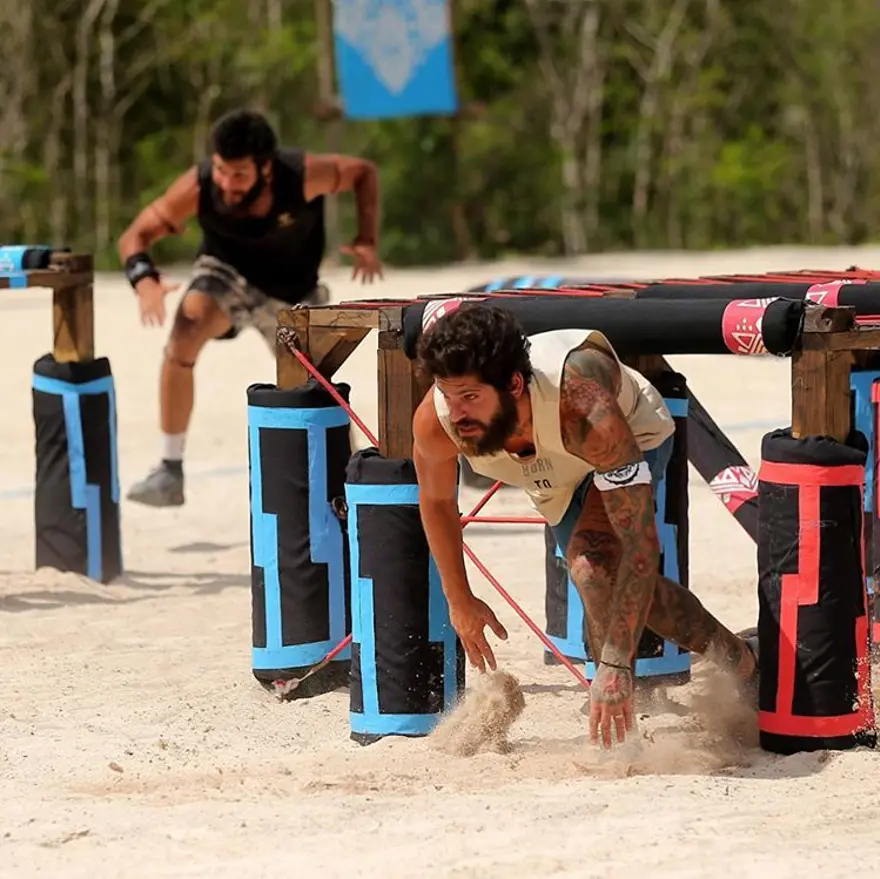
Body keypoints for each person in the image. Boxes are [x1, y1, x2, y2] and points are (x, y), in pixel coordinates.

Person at [411, 302, 758, 749]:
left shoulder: (582, 405)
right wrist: (459, 600)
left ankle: (710, 682)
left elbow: (640, 545)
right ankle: (745, 661)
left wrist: (615, 665)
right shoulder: (438, 420)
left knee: (594, 568)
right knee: (613, 584)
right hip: (553, 473)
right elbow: (437, 501)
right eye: (447, 393)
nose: (457, 413)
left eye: (471, 397)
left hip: (629, 438)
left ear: (514, 385)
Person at [118, 108, 383, 507]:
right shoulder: (200, 184)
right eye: (222, 170)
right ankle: (169, 470)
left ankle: (349, 484)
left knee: (316, 386)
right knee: (185, 329)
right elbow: (134, 236)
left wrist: (367, 237)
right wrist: (144, 280)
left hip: (294, 289)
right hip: (227, 274)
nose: (226, 183)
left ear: (266, 169)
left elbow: (363, 172)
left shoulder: (303, 173)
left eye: (239, 175)